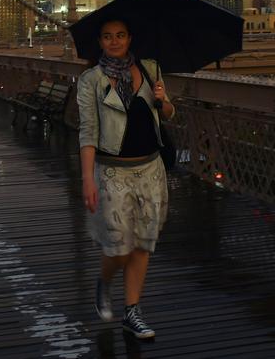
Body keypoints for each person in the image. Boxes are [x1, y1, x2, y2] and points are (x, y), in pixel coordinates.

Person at [77, 19, 175, 340]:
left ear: (130, 38)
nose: (114, 41)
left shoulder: (150, 69)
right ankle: (104, 282)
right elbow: (88, 132)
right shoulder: (91, 79)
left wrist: (162, 100)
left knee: (142, 244)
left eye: (120, 35)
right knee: (119, 247)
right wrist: (87, 179)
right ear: (100, 42)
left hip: (150, 169)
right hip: (111, 171)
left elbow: (170, 112)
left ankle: (132, 312)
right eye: (107, 37)